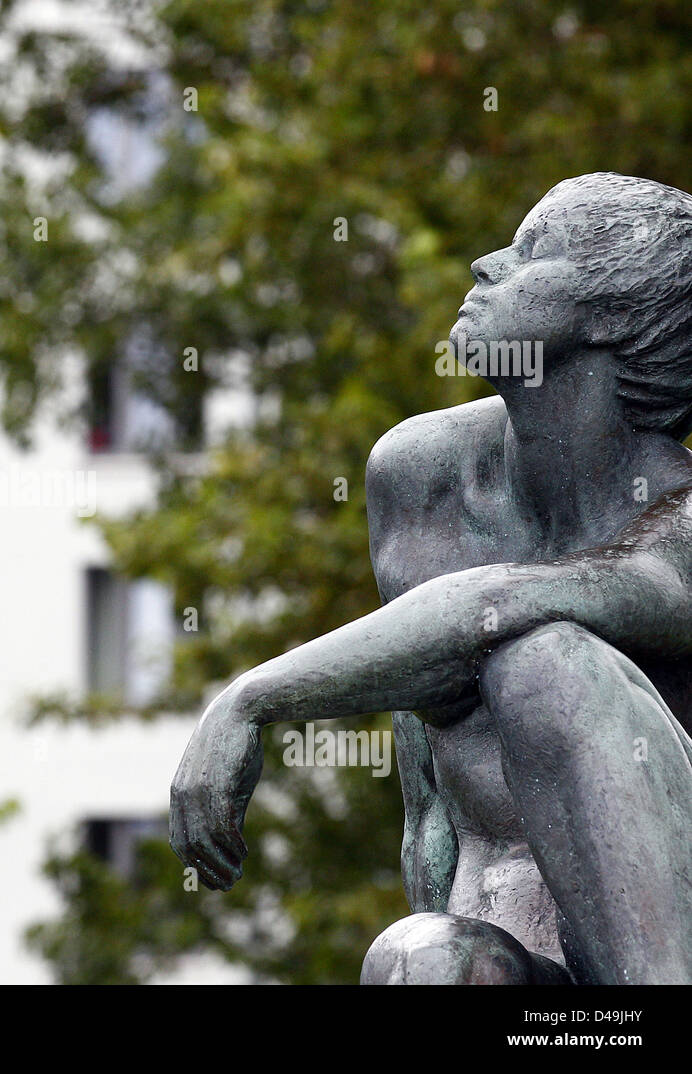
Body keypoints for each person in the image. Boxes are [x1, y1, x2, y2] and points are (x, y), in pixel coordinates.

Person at [169, 172, 692, 984]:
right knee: (422, 956)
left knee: (542, 661)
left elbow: (490, 608)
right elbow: (429, 808)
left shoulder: (682, 519)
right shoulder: (423, 478)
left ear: (617, 314)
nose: (486, 264)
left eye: (531, 255)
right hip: (516, 953)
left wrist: (255, 697)